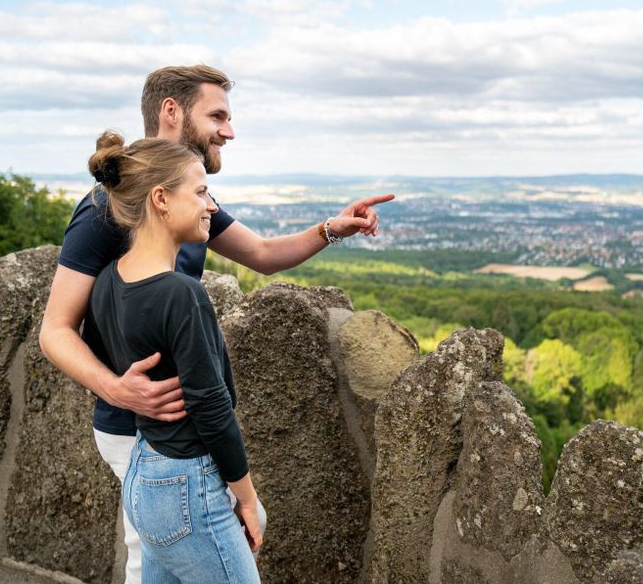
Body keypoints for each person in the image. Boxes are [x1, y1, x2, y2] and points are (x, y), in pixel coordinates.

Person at [39, 64, 393, 584]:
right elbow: (55, 329)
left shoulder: (183, 198)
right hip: (139, 428)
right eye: (218, 115)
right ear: (171, 111)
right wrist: (118, 390)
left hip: (170, 429)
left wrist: (329, 228)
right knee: (156, 558)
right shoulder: (107, 211)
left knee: (158, 560)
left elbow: (262, 254)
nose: (229, 131)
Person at [87, 131, 260, 582]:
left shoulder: (109, 279)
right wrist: (245, 495)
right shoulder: (180, 293)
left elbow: (96, 346)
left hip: (144, 473)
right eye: (201, 192)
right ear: (161, 199)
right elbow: (211, 405)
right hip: (189, 484)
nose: (211, 206)